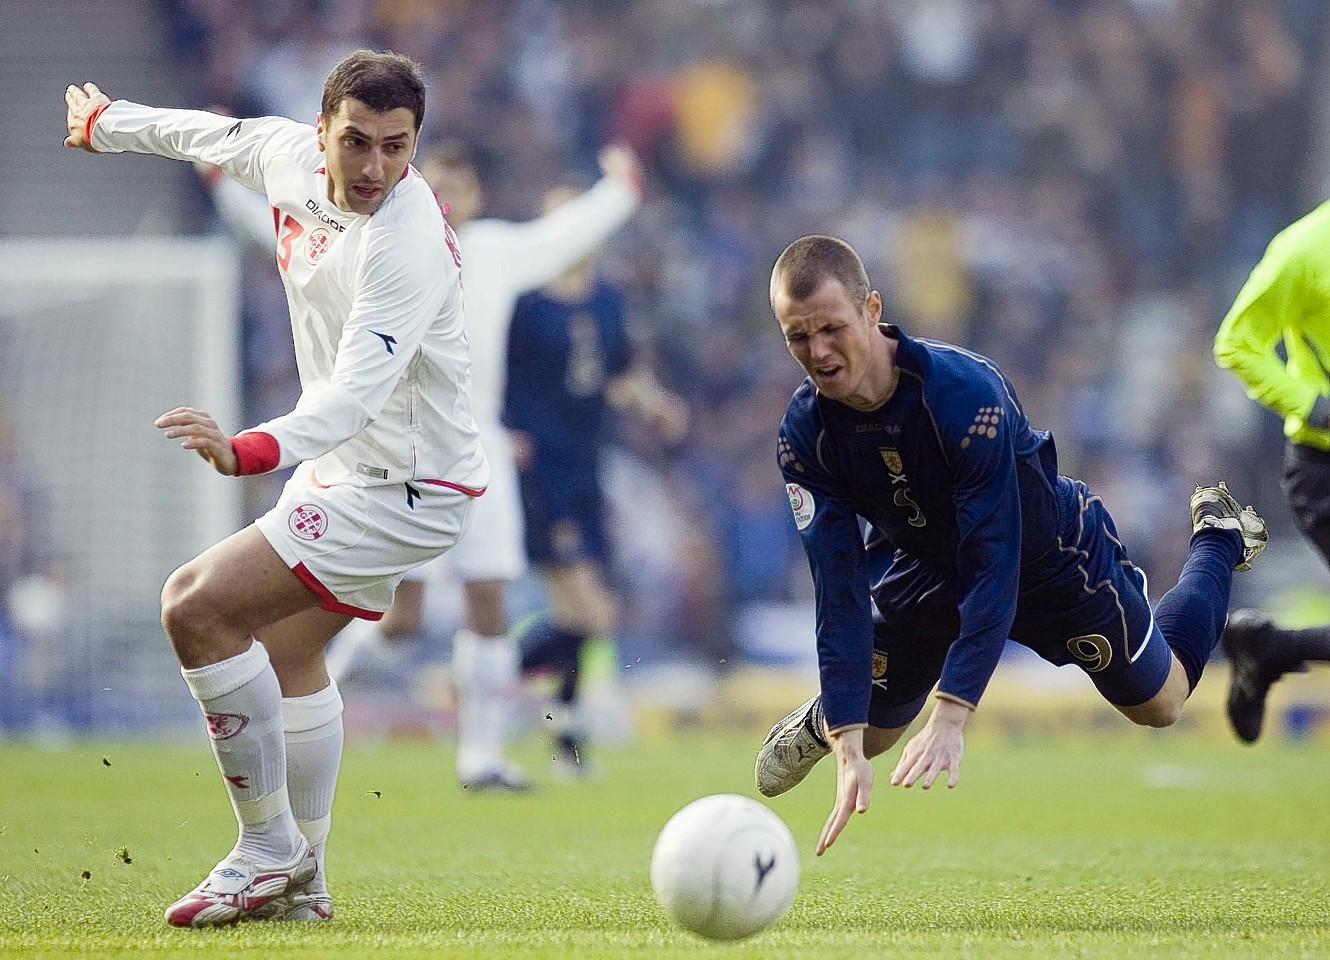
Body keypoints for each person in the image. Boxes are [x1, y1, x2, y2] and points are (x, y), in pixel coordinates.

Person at [63, 51, 488, 925]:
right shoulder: (285, 154)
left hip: (403, 485)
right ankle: (305, 884)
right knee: (292, 657)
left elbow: (355, 395)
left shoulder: (407, 244)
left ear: (417, 146)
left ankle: (266, 851)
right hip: (357, 469)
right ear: (321, 128)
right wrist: (108, 126)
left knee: (194, 606)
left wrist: (252, 449)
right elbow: (205, 133)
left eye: (397, 149)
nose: (374, 169)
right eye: (356, 143)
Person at [753, 236, 1268, 856]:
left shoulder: (965, 398)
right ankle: (819, 722)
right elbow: (836, 589)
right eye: (797, 337)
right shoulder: (804, 434)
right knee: (873, 733)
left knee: (1161, 705)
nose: (818, 352)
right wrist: (845, 738)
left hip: (1046, 557)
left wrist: (951, 712)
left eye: (831, 328)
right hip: (927, 564)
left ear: (871, 309)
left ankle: (1216, 536)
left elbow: (994, 562)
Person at [319, 142, 644, 789]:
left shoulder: (494, 251)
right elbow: (289, 226)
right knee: (404, 619)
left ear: (476, 198)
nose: (447, 196)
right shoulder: (378, 245)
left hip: (480, 445)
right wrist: (226, 183)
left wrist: (621, 189)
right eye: (436, 182)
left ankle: (483, 758)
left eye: (460, 186)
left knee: (489, 599)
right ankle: (320, 690)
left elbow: (567, 232)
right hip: (407, 451)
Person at [503, 186, 687, 778]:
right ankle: (489, 678)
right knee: (591, 612)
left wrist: (654, 404)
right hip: (539, 467)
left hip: (587, 467)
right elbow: (493, 381)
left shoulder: (606, 300)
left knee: (585, 618)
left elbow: (619, 376)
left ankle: (565, 743)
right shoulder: (524, 303)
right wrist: (502, 432)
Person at [1213, 201, 1330, 743]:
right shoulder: (1304, 250)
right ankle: (1271, 648)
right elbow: (1237, 341)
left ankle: (1270, 649)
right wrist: (1308, 403)